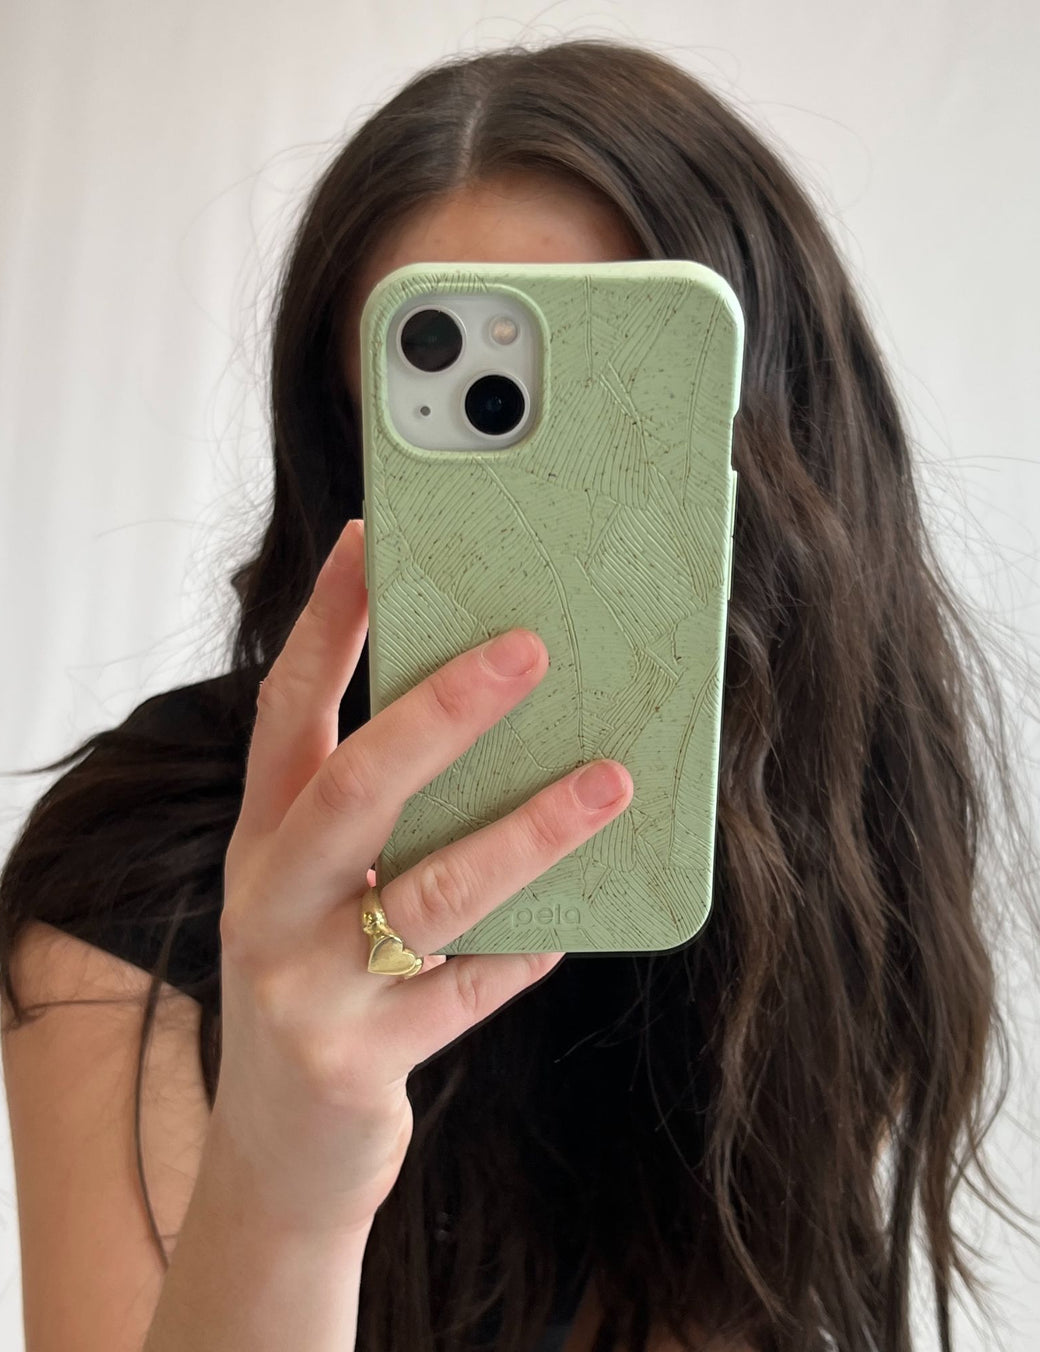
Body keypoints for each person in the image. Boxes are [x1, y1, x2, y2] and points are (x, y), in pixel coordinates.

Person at [0, 36, 1028, 1352]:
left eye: (619, 419)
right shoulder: (135, 883)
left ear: (784, 453)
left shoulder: (824, 847)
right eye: (469, 447)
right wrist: (284, 1183)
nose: (555, 525)